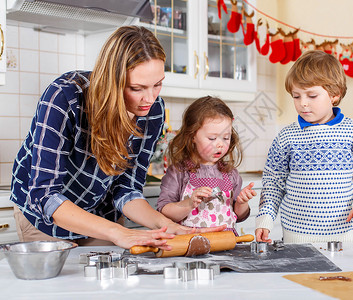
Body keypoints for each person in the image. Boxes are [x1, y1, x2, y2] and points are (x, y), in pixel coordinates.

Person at [10, 26, 224, 250]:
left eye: (157, 85)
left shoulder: (153, 111)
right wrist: (117, 232)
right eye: (136, 88)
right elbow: (46, 196)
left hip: (101, 215)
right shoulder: (63, 97)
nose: (150, 99)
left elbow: (127, 189)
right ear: (112, 81)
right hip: (43, 219)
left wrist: (167, 225)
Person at [255, 50, 353, 244]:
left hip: (344, 235)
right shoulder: (286, 137)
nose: (303, 104)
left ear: (334, 95)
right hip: (296, 236)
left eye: (312, 96)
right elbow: (272, 182)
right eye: (296, 96)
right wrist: (265, 218)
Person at [157, 96, 257, 234]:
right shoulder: (179, 172)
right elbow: (164, 211)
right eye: (212, 138)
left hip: (226, 245)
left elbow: (238, 216)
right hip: (192, 244)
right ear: (192, 136)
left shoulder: (231, 173)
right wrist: (189, 204)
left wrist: (242, 203)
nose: (220, 144)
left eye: (226, 137)